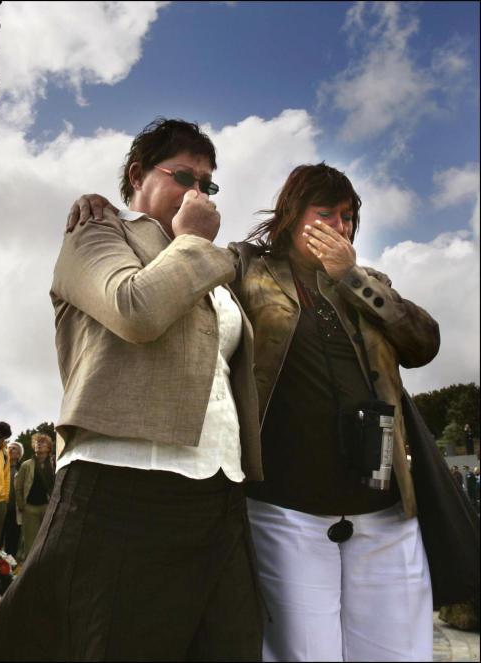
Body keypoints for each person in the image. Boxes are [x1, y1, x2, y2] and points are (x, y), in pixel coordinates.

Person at [70, 161, 440, 661]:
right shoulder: (246, 266)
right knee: (305, 653)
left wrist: (351, 277)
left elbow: (423, 344)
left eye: (348, 216)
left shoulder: (368, 281)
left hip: (384, 506)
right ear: (291, 216)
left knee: (398, 652)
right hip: (288, 506)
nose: (340, 226)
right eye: (326, 213)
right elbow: (177, 259)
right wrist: (110, 211)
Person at [0, 118, 264, 661]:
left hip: (220, 490)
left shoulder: (215, 265)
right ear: (136, 175)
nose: (197, 192)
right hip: (127, 489)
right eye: (183, 176)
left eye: (208, 184)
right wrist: (193, 239)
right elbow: (135, 309)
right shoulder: (98, 232)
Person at [13, 434, 54, 561]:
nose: (39, 444)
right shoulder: (26, 465)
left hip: (48, 508)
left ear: (49, 448)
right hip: (30, 508)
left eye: (43, 443)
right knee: (30, 543)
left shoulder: (54, 464)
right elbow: (18, 487)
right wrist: (22, 505)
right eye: (37, 442)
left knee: (48, 541)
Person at [0, 440, 23, 557]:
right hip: (0, 508)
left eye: (14, 448)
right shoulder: (0, 466)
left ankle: (9, 567)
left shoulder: (23, 468)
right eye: (9, 447)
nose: (10, 449)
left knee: (12, 541)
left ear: (19, 455)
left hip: (14, 511)